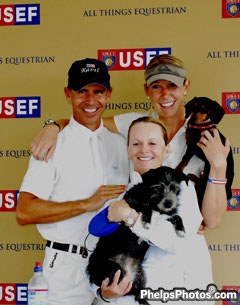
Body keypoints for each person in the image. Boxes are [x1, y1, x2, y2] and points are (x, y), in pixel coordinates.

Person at [30, 54, 233, 232]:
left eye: (172, 85)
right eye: (156, 86)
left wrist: (219, 165)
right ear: (146, 89)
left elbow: (212, 221)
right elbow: (89, 120)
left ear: (185, 86)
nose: (165, 94)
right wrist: (54, 125)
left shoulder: (208, 138)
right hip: (139, 245)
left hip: (182, 248)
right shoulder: (136, 124)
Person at [16, 58, 130, 305]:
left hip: (113, 266)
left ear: (108, 95)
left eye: (98, 92)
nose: (90, 101)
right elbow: (24, 211)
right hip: (65, 269)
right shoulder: (53, 143)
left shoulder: (121, 144)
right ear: (68, 94)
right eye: (82, 92)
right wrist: (86, 204)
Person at [92, 117, 214, 305]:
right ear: (128, 149)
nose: (144, 149)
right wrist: (103, 292)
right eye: (136, 143)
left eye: (152, 143)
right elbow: (99, 254)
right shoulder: (117, 197)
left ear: (166, 150)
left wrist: (132, 218)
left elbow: (178, 242)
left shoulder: (182, 188)